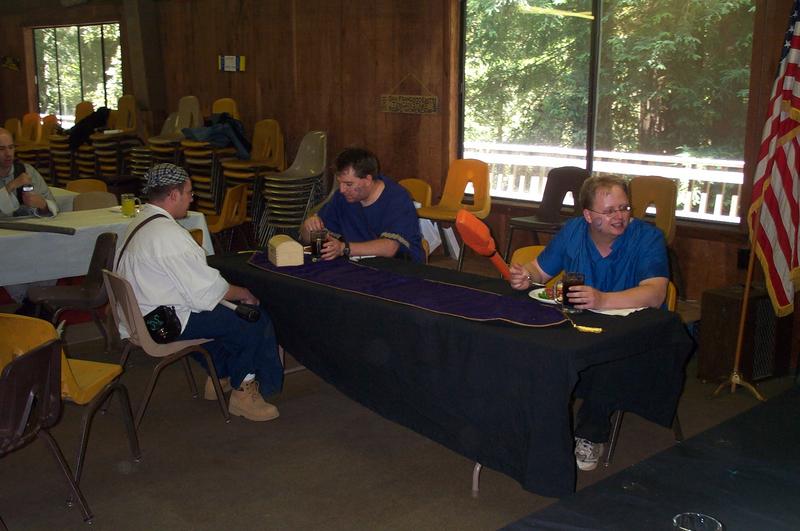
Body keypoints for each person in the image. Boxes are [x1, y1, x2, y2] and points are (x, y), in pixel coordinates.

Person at [509, 174, 669, 471]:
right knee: (535, 346)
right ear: (587, 215)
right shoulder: (572, 231)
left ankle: (590, 434)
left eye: (624, 208)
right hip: (580, 324)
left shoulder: (648, 237)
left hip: (634, 330)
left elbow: (656, 294)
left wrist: (602, 300)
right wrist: (525, 276)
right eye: (608, 211)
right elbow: (540, 271)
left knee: (606, 360)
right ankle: (533, 425)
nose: (619, 217)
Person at [115, 163, 284, 422]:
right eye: (189, 193)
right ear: (174, 195)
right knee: (252, 319)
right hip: (161, 325)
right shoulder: (169, 235)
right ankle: (243, 392)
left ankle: (220, 376)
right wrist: (244, 293)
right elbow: (208, 291)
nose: (192, 199)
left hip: (140, 318)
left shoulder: (138, 223)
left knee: (218, 317)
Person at [301, 147, 423, 262]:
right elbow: (314, 240)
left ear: (368, 180)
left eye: (349, 184)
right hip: (357, 264)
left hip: (399, 266)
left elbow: (390, 248)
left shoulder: (397, 198)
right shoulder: (342, 198)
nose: (342, 190)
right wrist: (308, 228)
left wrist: (344, 248)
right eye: (340, 183)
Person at [0, 127, 58, 218]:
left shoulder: (26, 171)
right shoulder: (20, 178)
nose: (8, 154)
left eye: (11, 147)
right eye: (1, 149)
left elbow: (54, 207)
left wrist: (44, 205)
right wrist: (11, 186)